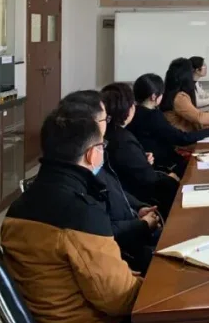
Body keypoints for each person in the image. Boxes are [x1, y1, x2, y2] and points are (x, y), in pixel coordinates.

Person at [0, 105, 141, 323]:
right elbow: (118, 299)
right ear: (91, 154)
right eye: (102, 146)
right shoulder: (80, 213)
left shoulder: (19, 206)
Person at [62, 91, 164, 271]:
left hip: (132, 227)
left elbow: (115, 189)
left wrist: (139, 208)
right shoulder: (82, 168)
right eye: (105, 119)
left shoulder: (98, 153)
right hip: (124, 252)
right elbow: (104, 230)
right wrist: (141, 225)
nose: (108, 123)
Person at [102, 83, 179, 218]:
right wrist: (170, 178)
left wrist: (141, 159)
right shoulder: (123, 139)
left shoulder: (105, 134)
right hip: (137, 200)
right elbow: (149, 179)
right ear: (130, 108)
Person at [128, 73, 209, 175]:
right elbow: (182, 138)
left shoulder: (131, 113)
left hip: (148, 165)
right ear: (154, 96)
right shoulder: (153, 116)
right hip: (165, 165)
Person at [161, 57, 209, 133]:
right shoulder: (179, 97)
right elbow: (199, 117)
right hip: (183, 136)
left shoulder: (171, 92)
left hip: (184, 134)